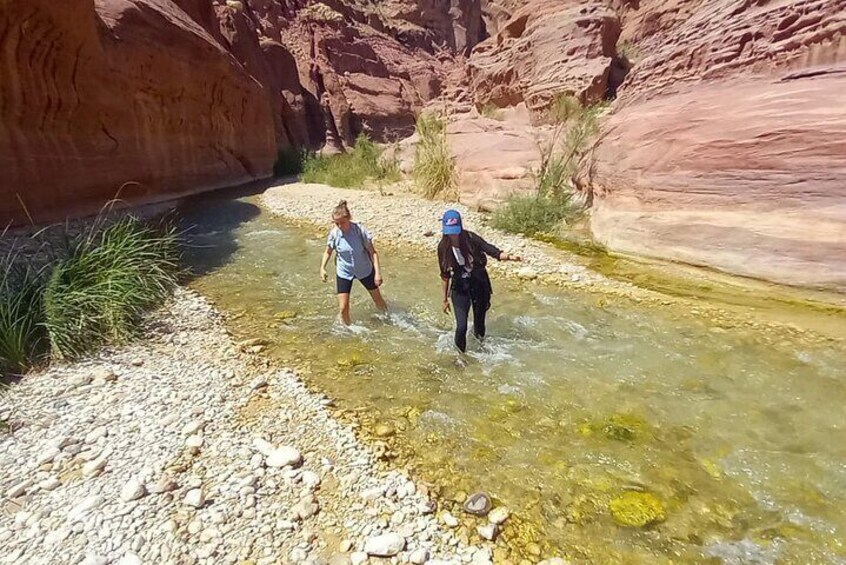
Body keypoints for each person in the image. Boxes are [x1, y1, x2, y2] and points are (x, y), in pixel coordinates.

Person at [437, 209, 521, 352]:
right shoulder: (443, 248)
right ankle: (460, 357)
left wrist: (506, 256)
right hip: (460, 287)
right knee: (461, 326)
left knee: (479, 322)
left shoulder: (470, 238)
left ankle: (480, 350)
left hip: (479, 283)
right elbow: (445, 275)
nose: (453, 235)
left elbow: (488, 248)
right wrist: (444, 299)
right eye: (450, 231)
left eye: (455, 231)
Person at [320, 200, 387, 325]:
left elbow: (373, 253)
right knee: (343, 307)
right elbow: (328, 251)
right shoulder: (334, 234)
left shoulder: (359, 231)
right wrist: (322, 268)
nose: (339, 226)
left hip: (365, 270)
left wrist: (377, 273)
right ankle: (348, 328)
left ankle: (388, 318)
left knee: (378, 300)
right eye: (336, 223)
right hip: (344, 271)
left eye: (342, 223)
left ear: (349, 218)